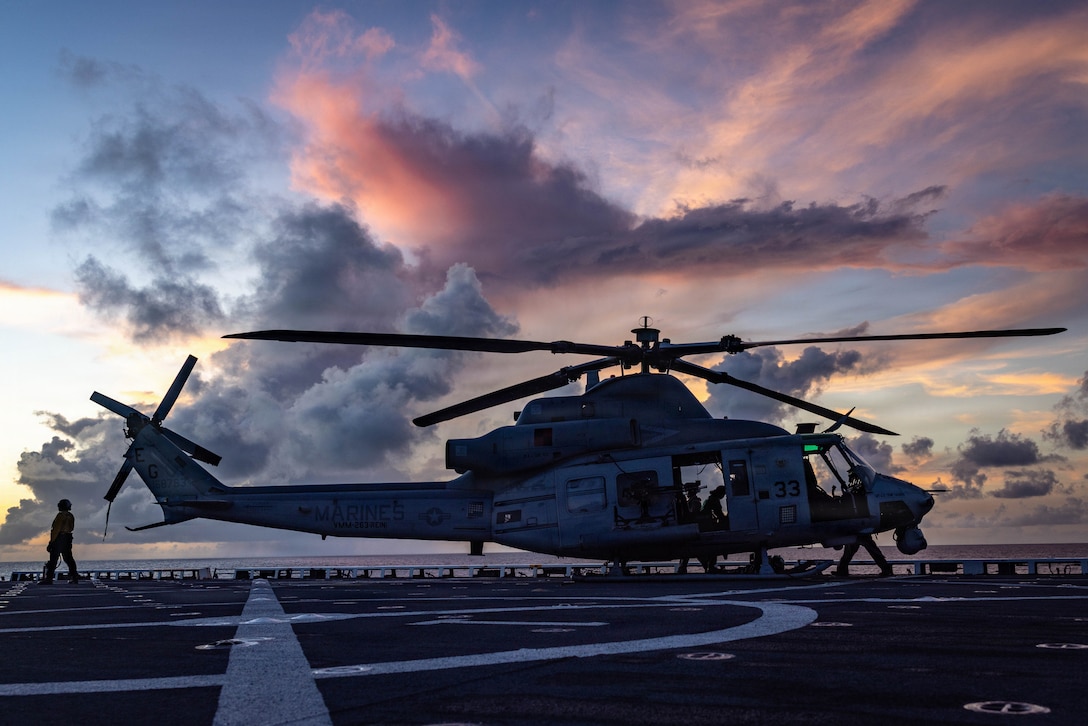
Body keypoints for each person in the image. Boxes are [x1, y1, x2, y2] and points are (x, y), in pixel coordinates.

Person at [42, 499, 79, 585]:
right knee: (69, 559)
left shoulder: (60, 516)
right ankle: (74, 577)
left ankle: (49, 579)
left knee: (53, 559)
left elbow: (56, 530)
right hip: (68, 538)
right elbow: (72, 528)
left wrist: (51, 542)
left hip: (59, 538)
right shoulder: (71, 516)